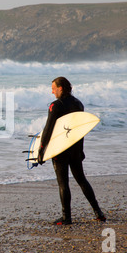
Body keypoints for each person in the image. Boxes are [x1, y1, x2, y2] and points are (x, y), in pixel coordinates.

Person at [37, 77, 106, 225]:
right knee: (81, 180)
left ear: (61, 88)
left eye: (54, 88)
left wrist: (41, 151)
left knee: (63, 183)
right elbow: (79, 130)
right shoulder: (78, 104)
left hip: (61, 150)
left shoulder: (55, 106)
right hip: (75, 149)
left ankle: (66, 217)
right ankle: (98, 212)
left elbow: (48, 129)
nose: (52, 91)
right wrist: (80, 150)